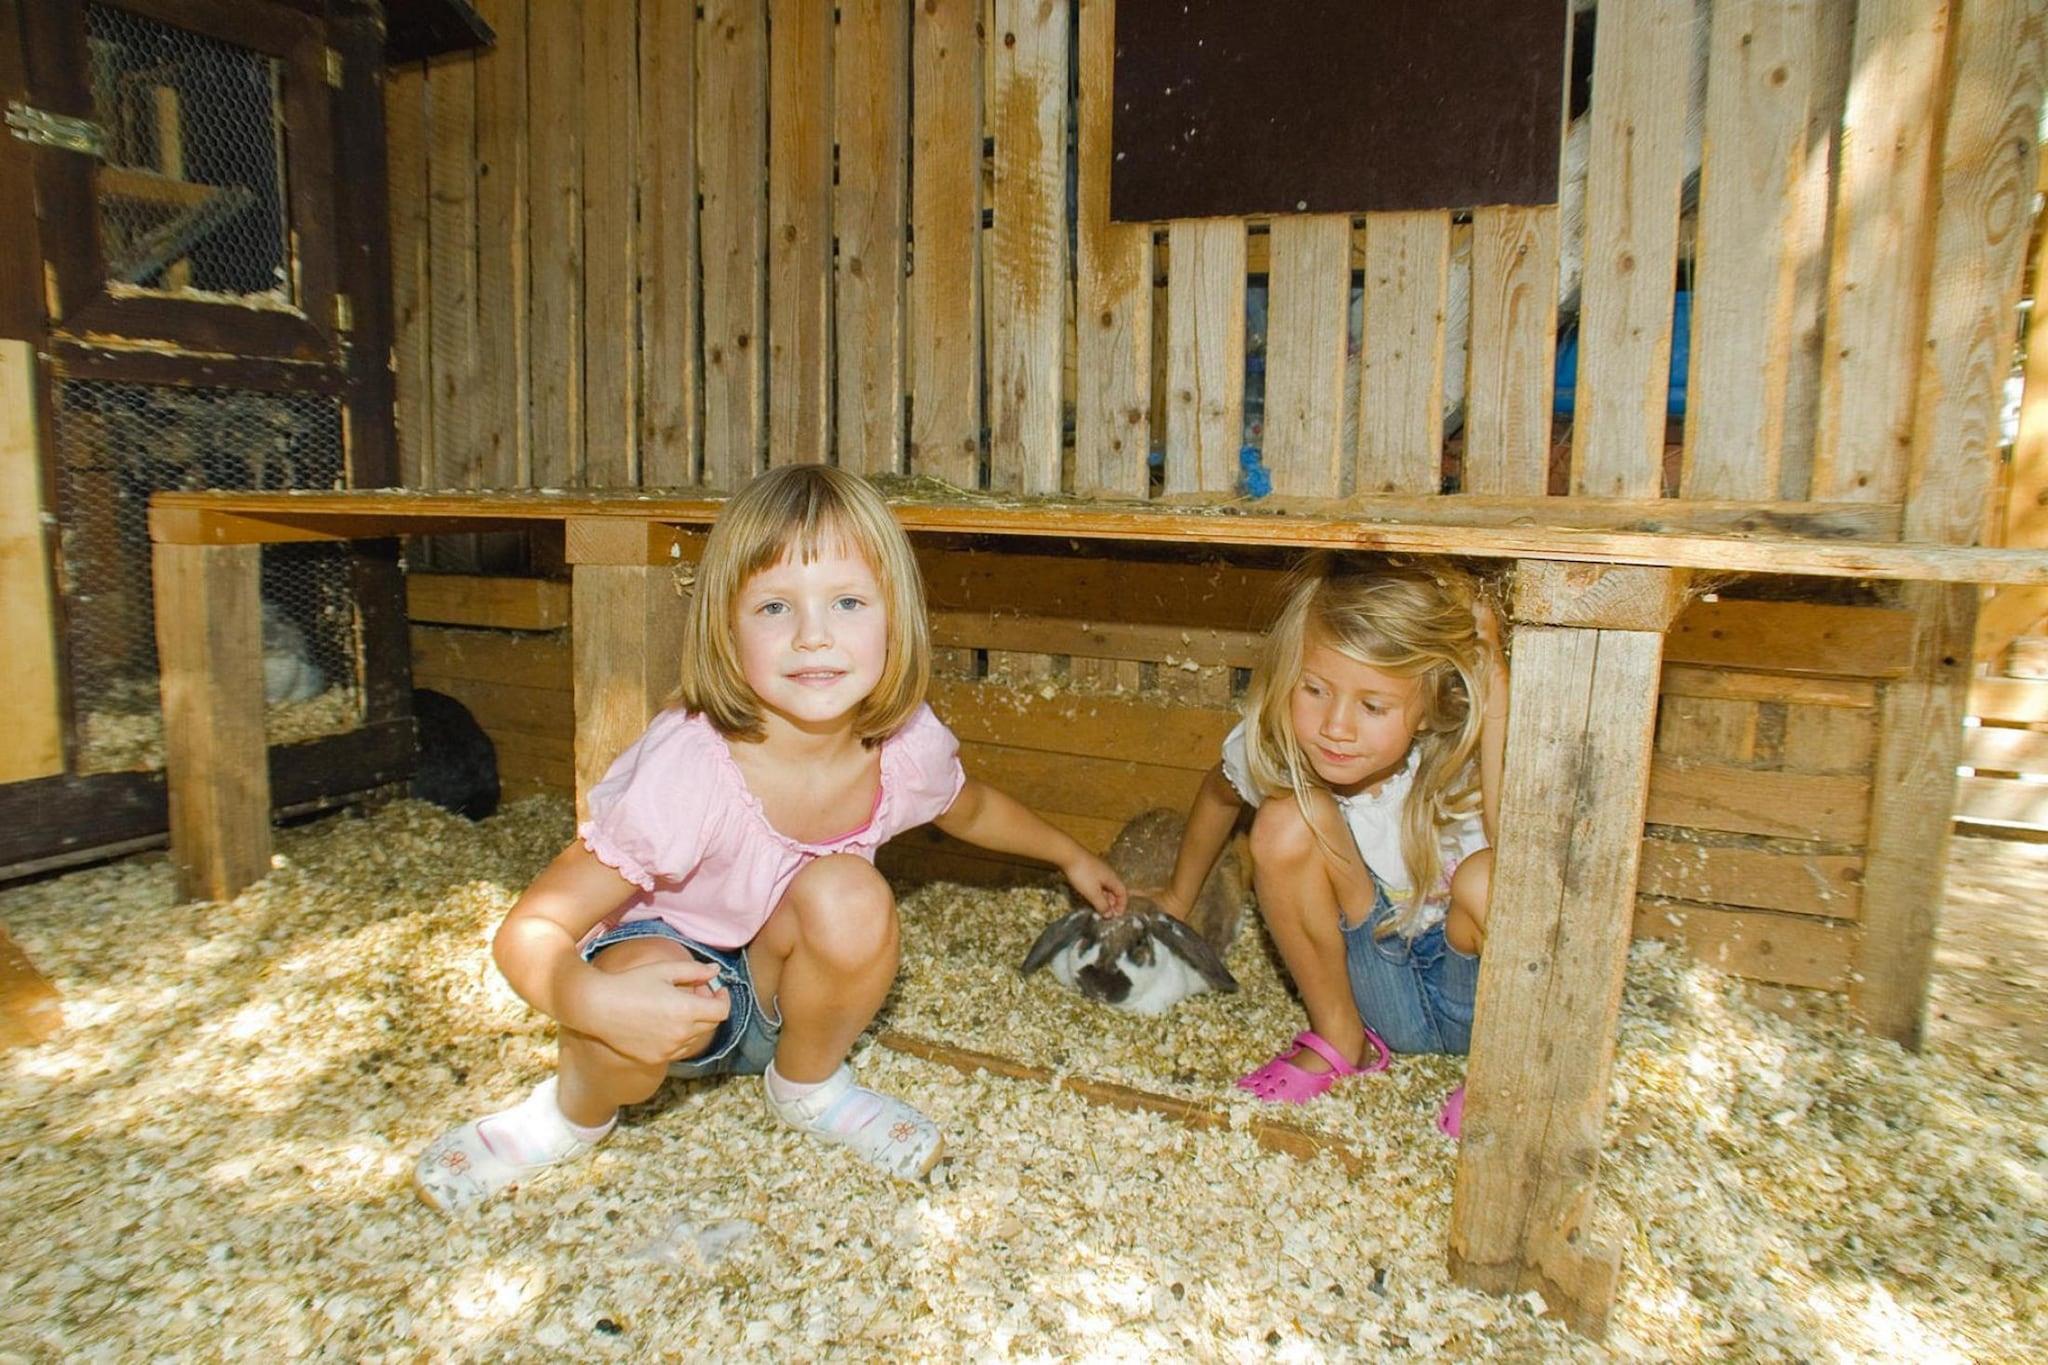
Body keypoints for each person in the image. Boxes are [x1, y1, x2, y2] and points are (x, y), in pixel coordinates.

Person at [414, 465, 1126, 1212]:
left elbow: (971, 808)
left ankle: (806, 1086)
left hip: (774, 990)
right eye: (775, 606)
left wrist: (1071, 855)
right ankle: (567, 1115)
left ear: (896, 620)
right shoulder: (691, 768)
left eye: (848, 602)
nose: (813, 635)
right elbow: (530, 928)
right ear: (727, 629)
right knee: (638, 979)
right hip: (659, 987)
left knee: (852, 893)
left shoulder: (903, 744)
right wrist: (588, 999)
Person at [1147, 555, 1506, 1135]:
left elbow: (1524, 857)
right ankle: (1341, 1040)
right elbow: (1217, 795)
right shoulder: (1280, 748)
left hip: (1480, 994)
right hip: (1376, 991)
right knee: (1287, 819)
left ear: (1428, 706)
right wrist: (1177, 897)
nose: (1336, 726)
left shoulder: (1463, 755)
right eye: (1314, 689)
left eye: (1373, 706)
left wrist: (1495, 684)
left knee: (1487, 877)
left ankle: (1508, 1074)